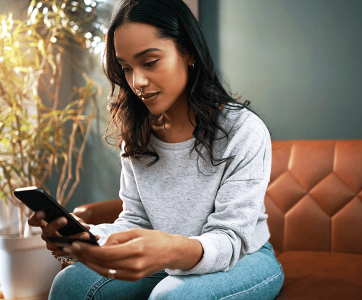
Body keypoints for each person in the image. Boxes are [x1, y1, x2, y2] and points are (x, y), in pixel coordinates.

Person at [28, 0, 284, 299]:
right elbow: (135, 221)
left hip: (243, 258)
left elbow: (230, 240)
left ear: (188, 52)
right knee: (69, 283)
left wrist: (171, 250)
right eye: (125, 68)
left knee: (171, 297)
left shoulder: (243, 130)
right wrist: (89, 237)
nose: (137, 82)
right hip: (166, 260)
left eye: (149, 62)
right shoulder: (137, 135)